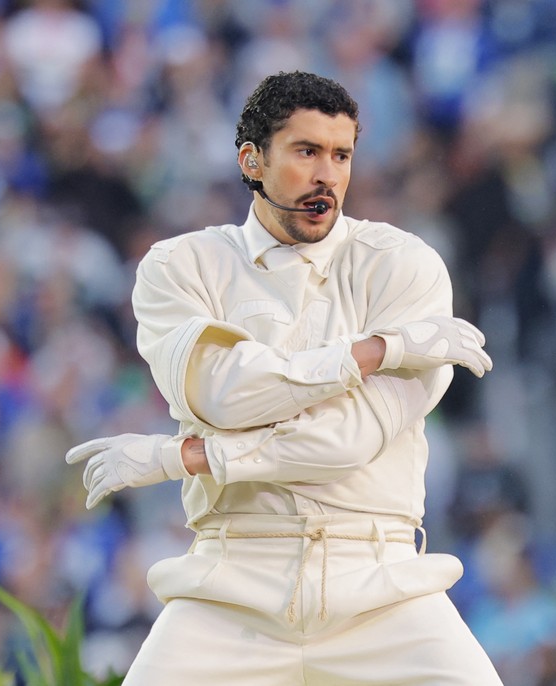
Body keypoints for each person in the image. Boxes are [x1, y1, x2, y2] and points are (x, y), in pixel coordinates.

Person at [65, 70, 503, 685]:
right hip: (232, 579)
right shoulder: (181, 265)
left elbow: (347, 439)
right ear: (252, 160)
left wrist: (183, 457)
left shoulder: (403, 264)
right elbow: (224, 393)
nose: (328, 175)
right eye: (306, 152)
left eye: (341, 155)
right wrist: (373, 351)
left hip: (380, 582)